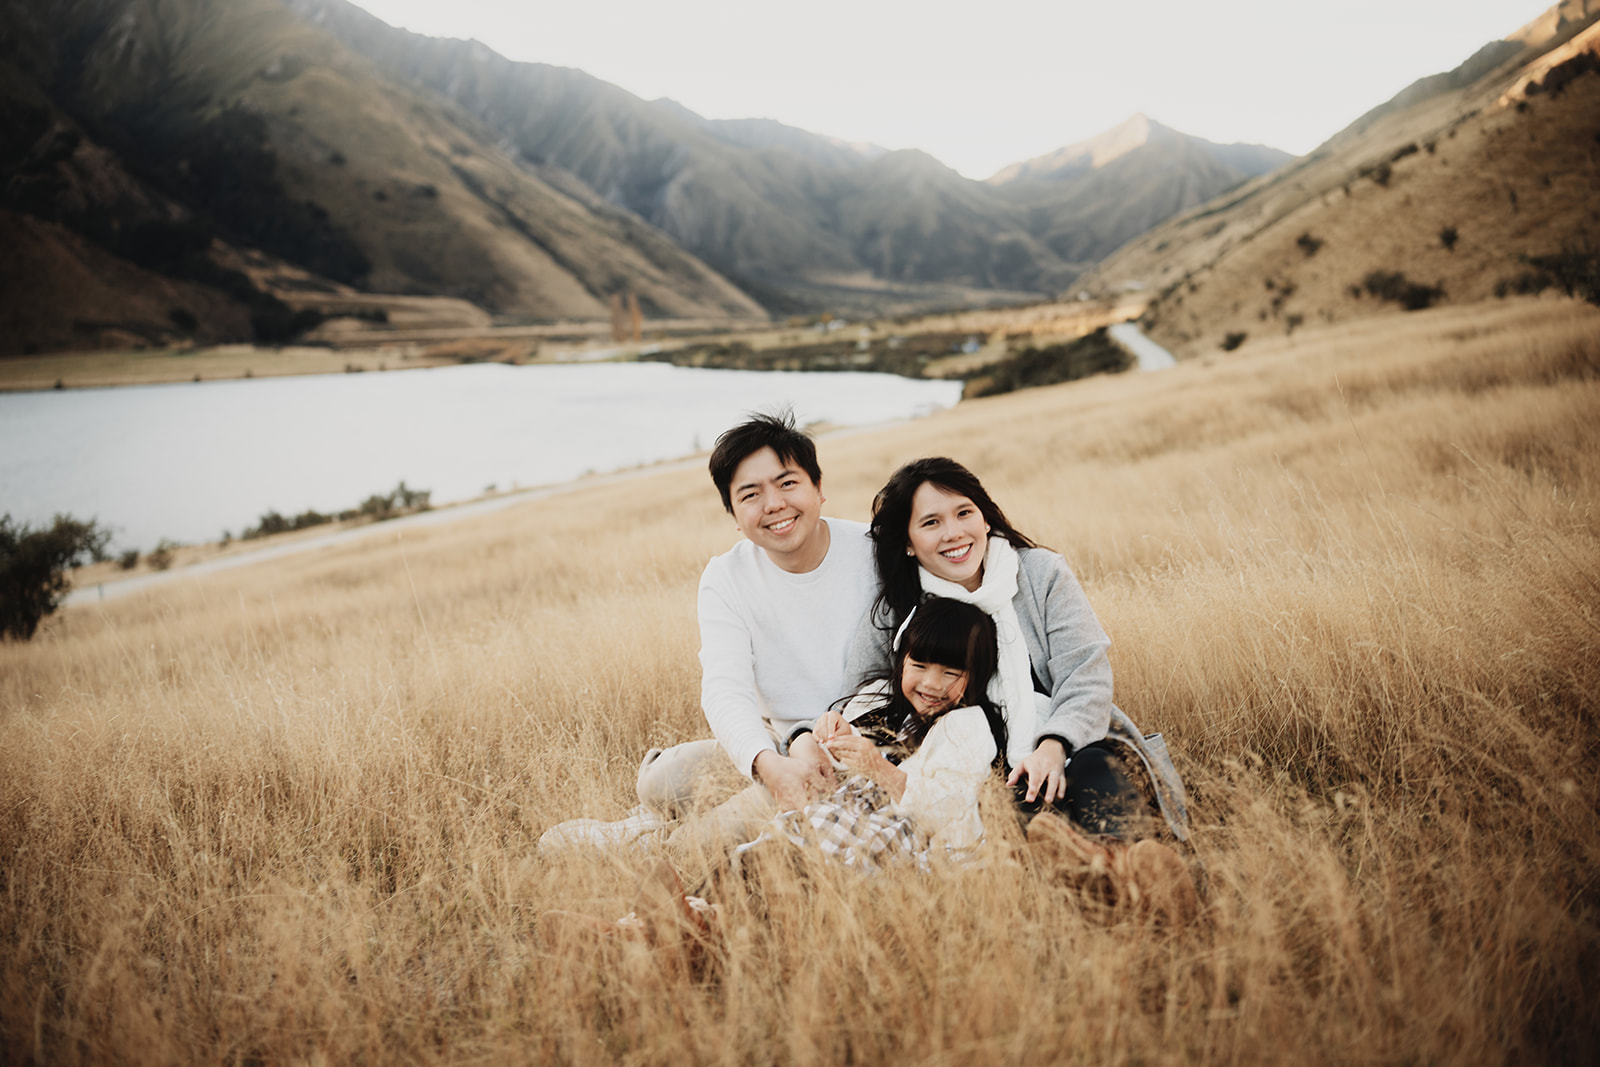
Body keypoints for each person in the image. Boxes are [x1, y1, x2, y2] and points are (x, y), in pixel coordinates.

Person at [845, 457, 1196, 913]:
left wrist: (1053, 745)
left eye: (964, 513)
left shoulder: (1039, 573)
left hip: (1071, 744)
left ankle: (1121, 870)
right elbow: (865, 694)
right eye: (931, 522)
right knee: (1002, 801)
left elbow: (1085, 673)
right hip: (969, 771)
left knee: (1089, 768)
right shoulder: (899, 606)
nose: (953, 533)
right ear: (908, 543)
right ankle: (1108, 882)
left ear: (984, 515)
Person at [541, 411, 878, 859]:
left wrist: (821, 749)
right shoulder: (727, 576)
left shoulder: (874, 552)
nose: (773, 504)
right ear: (735, 515)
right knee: (661, 781)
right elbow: (724, 688)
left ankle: (658, 845)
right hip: (778, 742)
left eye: (787, 483)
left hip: (855, 749)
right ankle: (654, 817)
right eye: (750, 494)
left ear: (818, 488)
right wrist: (767, 762)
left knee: (713, 840)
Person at [735, 597, 1008, 871]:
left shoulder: (967, 725)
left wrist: (879, 769)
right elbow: (846, 760)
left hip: (906, 828)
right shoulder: (880, 697)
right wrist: (837, 733)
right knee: (789, 830)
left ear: (977, 676)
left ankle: (782, 881)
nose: (932, 683)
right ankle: (718, 900)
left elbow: (949, 805)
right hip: (852, 811)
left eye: (951, 672)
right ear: (902, 661)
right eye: (919, 666)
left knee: (828, 840)